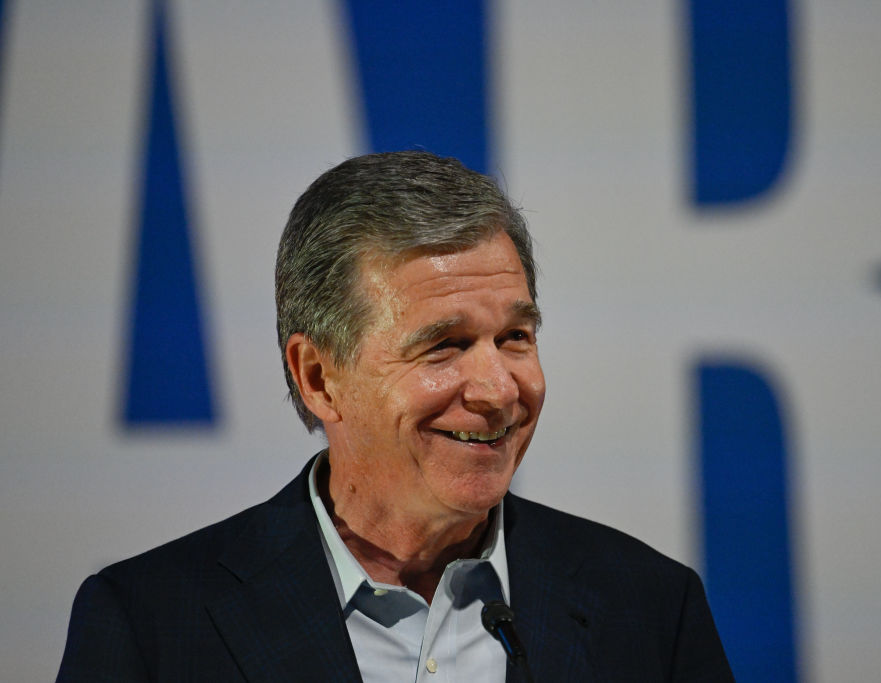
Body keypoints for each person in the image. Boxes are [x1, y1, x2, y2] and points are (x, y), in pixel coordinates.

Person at [58, 151, 734, 682]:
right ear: (319, 378)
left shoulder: (649, 608)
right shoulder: (150, 625)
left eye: (514, 337)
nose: (498, 389)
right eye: (445, 345)